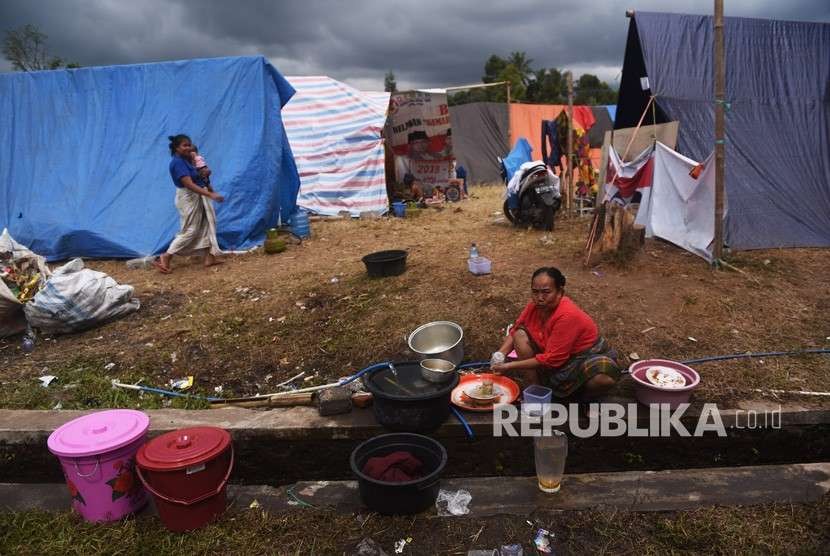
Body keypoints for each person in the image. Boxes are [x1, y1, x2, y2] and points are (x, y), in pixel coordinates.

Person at [490, 267, 620, 400]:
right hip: (554, 354)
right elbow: (515, 329)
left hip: (583, 357)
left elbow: (552, 359)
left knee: (603, 379)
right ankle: (534, 389)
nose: (539, 298)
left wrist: (508, 366)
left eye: (546, 292)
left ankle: (583, 399)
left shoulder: (567, 315)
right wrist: (500, 354)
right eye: (535, 292)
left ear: (560, 292)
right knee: (519, 335)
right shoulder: (534, 307)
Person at [154, 134, 225, 274]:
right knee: (190, 230)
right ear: (176, 148)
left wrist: (204, 174)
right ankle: (166, 256)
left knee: (207, 224)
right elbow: (189, 185)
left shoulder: (188, 160)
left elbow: (198, 178)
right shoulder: (177, 163)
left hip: (198, 195)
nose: (189, 147)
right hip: (188, 197)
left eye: (190, 144)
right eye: (185, 145)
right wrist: (210, 194)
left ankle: (209, 257)